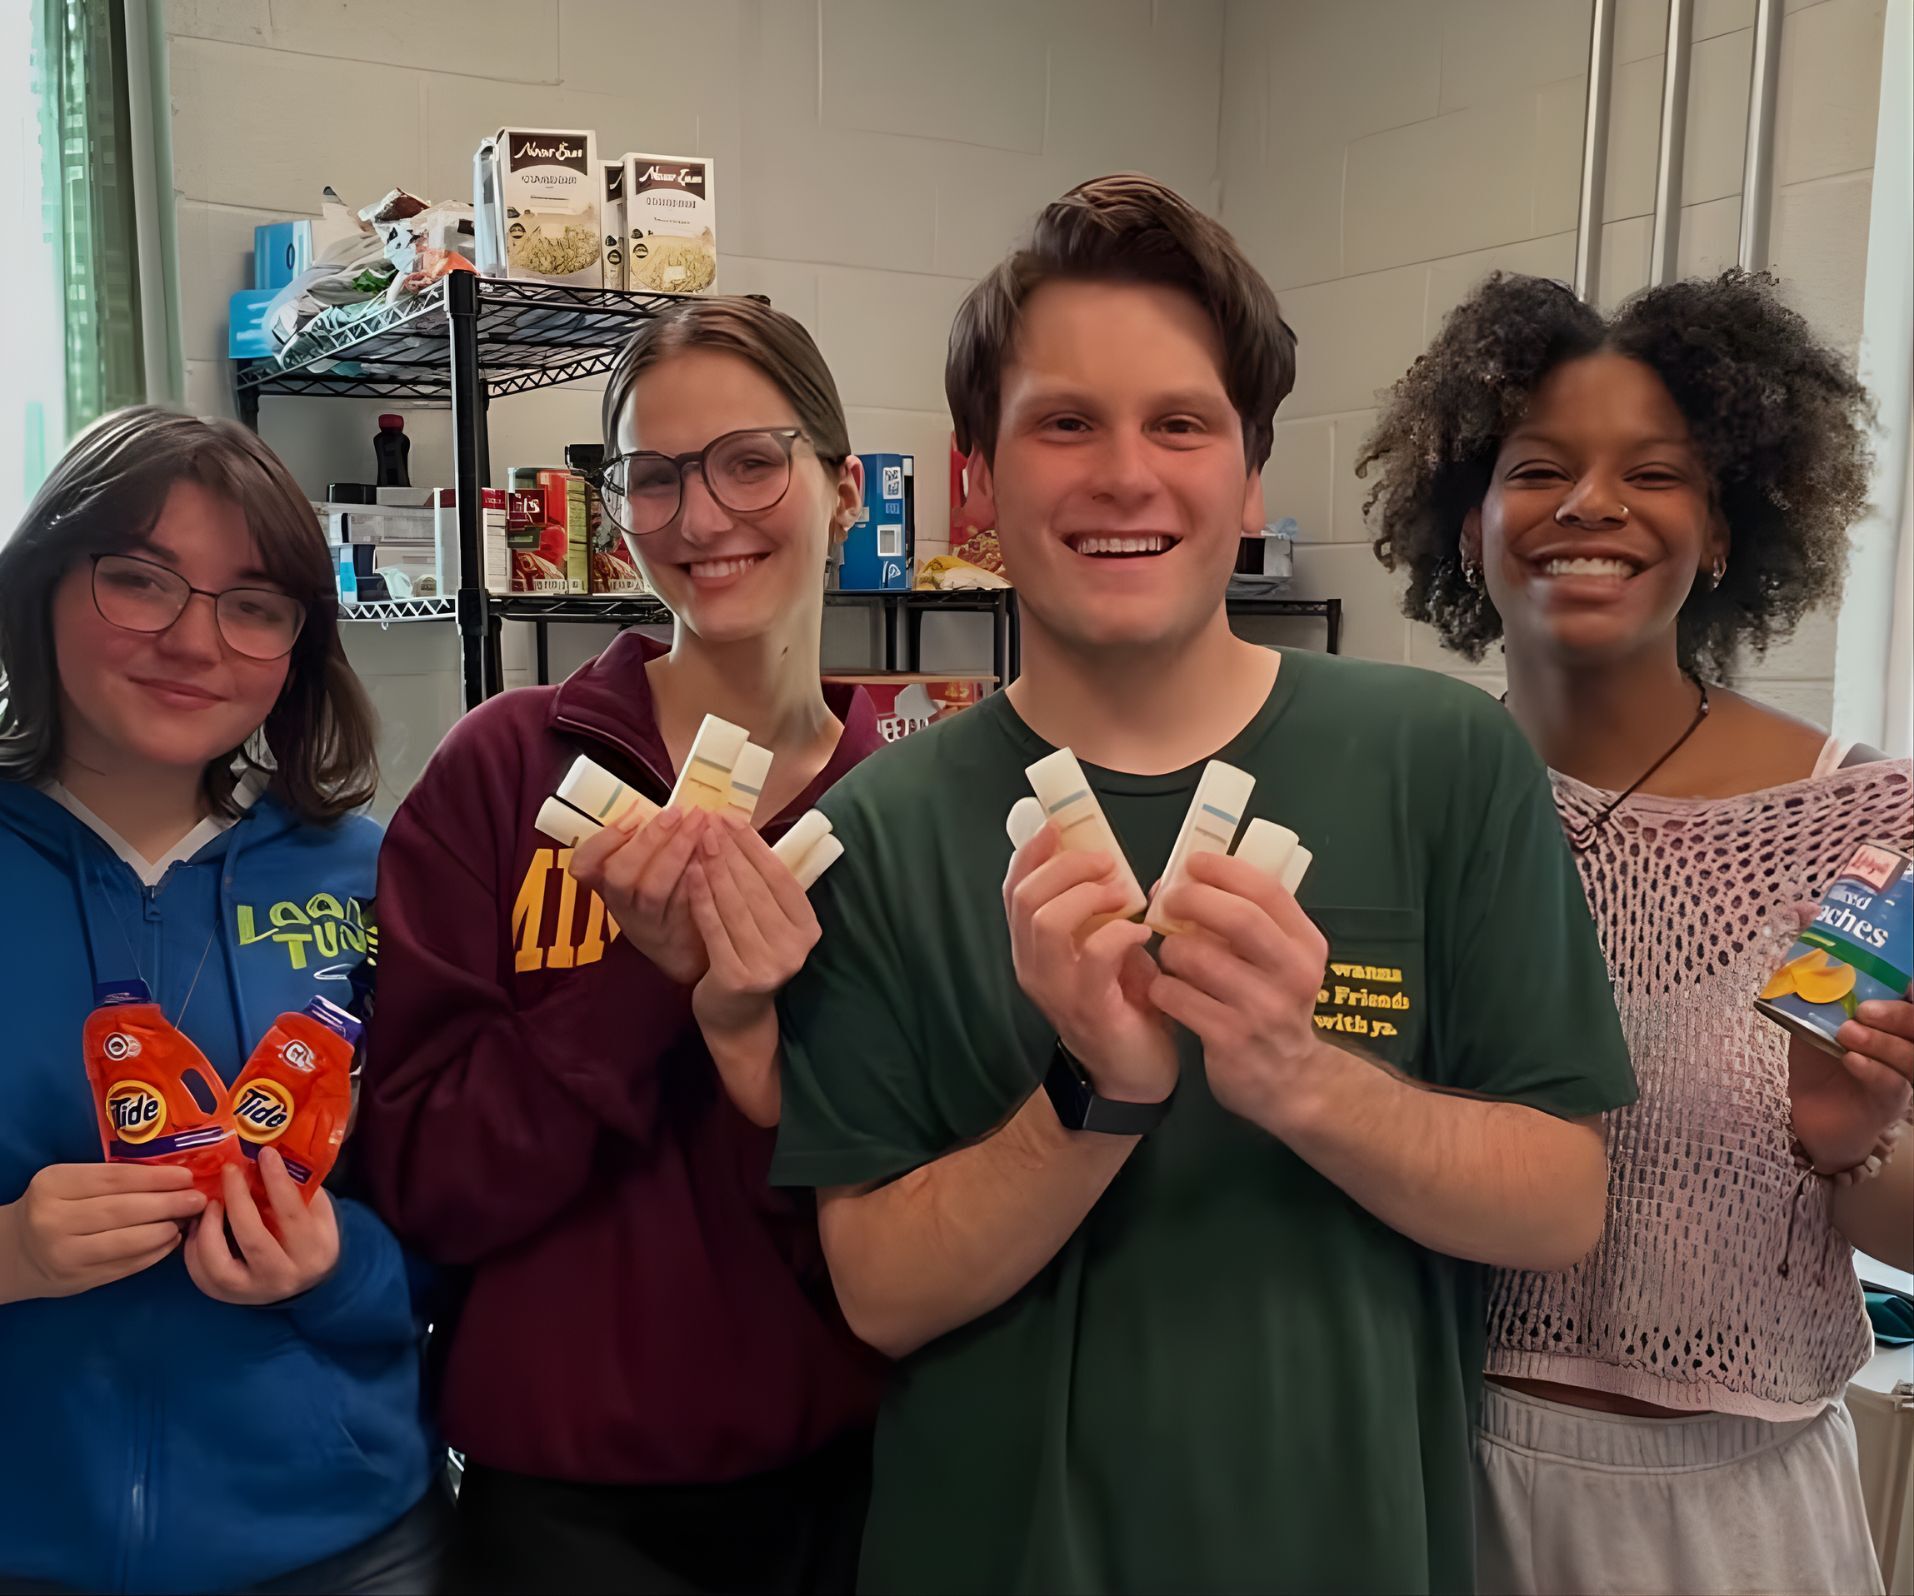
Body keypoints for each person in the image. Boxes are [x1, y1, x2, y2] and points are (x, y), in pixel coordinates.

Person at [767, 174, 1638, 1595]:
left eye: (1179, 422)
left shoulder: (1439, 760)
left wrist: (1298, 1076)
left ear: (1247, 477)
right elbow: (879, 1291)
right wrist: (1096, 1093)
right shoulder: (882, 828)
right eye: (1064, 423)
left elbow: (1557, 1202)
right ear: (975, 478)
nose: (1124, 474)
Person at [1362, 269, 1914, 1596]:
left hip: (1744, 1521)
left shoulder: (1859, 829)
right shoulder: (1399, 801)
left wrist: (1846, 1148)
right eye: (1537, 467)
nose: (1589, 506)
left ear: (1724, 525)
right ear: (1471, 522)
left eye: (1652, 474)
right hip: (1446, 1483)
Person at [354, 298, 888, 1595]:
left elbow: (911, 1208)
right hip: (556, 1509)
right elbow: (418, 1180)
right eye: (652, 478)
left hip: (843, 1487)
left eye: (751, 462)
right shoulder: (502, 770)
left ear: (845, 488)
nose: (702, 519)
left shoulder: (903, 816)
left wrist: (754, 1039)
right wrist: (638, 984)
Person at [0, 408, 442, 1594]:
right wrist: (7, 1255)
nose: (195, 641)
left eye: (253, 604)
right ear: (40, 585)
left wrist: (339, 1266)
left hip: (340, 1545)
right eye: (140, 581)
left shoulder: (373, 877)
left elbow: (456, 1215)